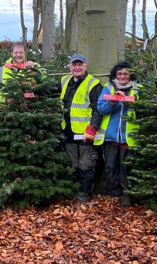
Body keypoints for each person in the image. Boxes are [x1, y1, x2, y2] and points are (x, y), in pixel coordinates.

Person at [59, 54, 103, 203]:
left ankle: (83, 195)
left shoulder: (94, 84)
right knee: (73, 164)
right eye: (74, 65)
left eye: (80, 65)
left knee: (86, 165)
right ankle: (73, 192)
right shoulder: (64, 81)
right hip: (68, 131)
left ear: (85, 66)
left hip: (86, 133)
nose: (77, 67)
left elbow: (98, 108)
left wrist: (93, 127)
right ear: (70, 67)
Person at [97, 61, 140, 207]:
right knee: (110, 166)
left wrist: (126, 101)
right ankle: (115, 192)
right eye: (119, 73)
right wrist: (113, 103)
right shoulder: (108, 88)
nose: (122, 76)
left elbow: (143, 109)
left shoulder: (138, 89)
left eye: (126, 73)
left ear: (130, 75)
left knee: (126, 168)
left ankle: (127, 195)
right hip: (110, 136)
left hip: (129, 137)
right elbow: (101, 108)